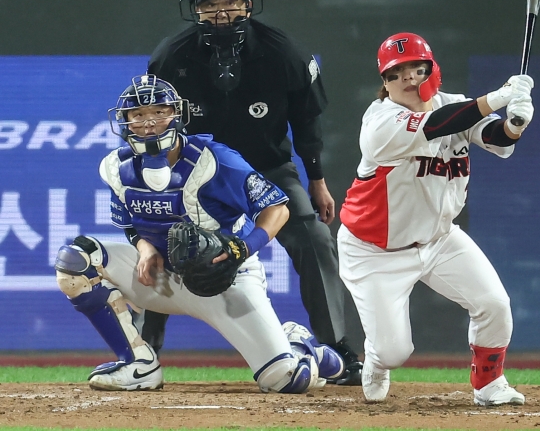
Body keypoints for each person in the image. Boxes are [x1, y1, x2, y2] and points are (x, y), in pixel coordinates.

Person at [142, 0, 362, 385]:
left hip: (268, 169)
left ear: (247, 6)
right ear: (196, 11)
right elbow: (157, 121)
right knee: (170, 239)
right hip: (197, 172)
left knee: (315, 238)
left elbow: (307, 120)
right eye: (209, 6)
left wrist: (315, 179)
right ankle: (146, 348)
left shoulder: (286, 53)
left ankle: (335, 345)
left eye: (230, 4)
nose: (220, 14)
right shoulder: (171, 56)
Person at [54, 75, 345, 392]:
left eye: (159, 111)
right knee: (77, 262)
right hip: (163, 277)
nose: (149, 122)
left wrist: (242, 250)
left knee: (287, 380)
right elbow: (129, 224)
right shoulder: (115, 167)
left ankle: (300, 345)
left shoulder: (214, 159)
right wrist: (145, 248)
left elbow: (278, 209)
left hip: (225, 277)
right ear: (124, 123)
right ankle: (138, 364)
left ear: (177, 114)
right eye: (138, 115)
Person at [337, 33, 535, 405]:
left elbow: (495, 137)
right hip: (375, 250)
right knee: (395, 351)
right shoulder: (380, 123)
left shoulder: (455, 104)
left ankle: (489, 384)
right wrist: (496, 97)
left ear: (432, 68)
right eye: (396, 74)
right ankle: (377, 357)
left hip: (439, 238)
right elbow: (437, 124)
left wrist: (515, 123)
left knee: (494, 304)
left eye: (416, 67)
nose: (409, 78)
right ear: (384, 83)